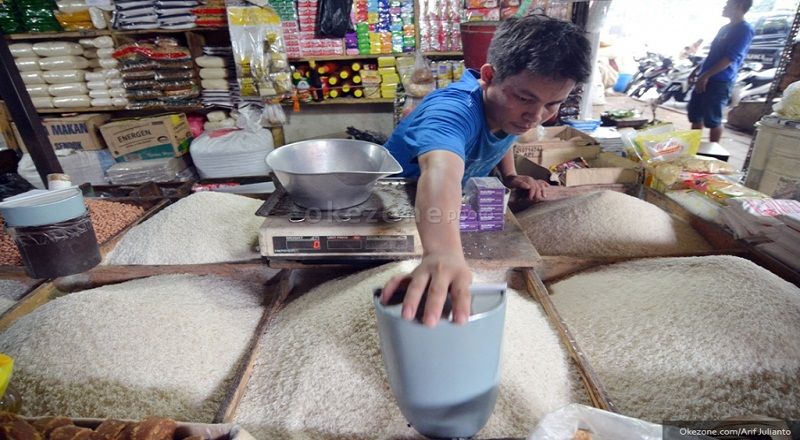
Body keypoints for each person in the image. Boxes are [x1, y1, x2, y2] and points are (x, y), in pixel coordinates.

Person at [379, 15, 591, 327]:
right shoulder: (451, 112)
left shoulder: (510, 111)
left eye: (552, 104)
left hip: (439, 210)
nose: (535, 117)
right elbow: (441, 172)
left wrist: (509, 175)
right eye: (525, 99)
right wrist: (442, 253)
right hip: (395, 209)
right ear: (489, 76)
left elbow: (506, 135)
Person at [688, 0, 754, 143]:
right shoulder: (724, 28)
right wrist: (697, 71)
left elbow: (730, 57)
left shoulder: (744, 29)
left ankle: (713, 153)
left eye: (728, 4)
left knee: (713, 120)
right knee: (695, 116)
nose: (724, 6)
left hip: (720, 81)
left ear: (739, 6)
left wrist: (706, 75)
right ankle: (692, 150)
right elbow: (712, 54)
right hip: (705, 78)